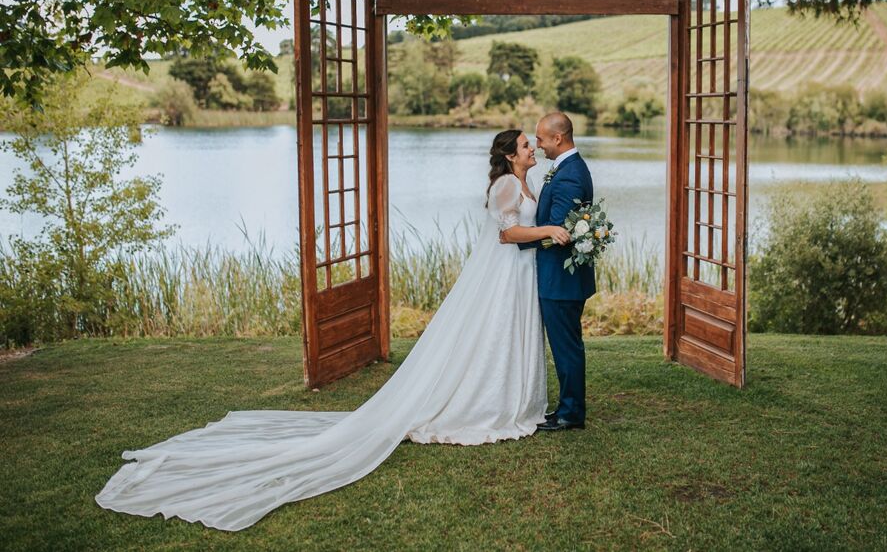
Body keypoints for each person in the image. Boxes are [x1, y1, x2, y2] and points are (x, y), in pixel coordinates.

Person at [95, 129, 570, 531]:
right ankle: (479, 404)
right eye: (527, 145)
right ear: (510, 155)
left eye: (533, 144)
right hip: (501, 275)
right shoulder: (507, 186)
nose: (532, 149)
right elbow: (506, 234)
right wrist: (548, 232)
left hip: (517, 277)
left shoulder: (526, 182)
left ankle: (506, 400)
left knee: (506, 338)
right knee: (487, 338)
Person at [502, 112, 595, 431]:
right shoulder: (566, 169)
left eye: (540, 139)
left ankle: (571, 413)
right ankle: (567, 407)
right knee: (566, 344)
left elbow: (558, 233)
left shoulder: (569, 174)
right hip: (560, 279)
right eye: (532, 141)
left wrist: (523, 238)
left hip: (561, 280)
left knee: (566, 346)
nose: (538, 145)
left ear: (559, 138)